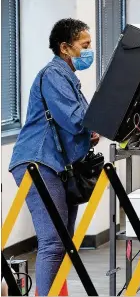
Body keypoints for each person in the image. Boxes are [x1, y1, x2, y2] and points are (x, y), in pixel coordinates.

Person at [8, 18, 99, 295]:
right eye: (84, 45)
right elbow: (75, 120)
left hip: (58, 165)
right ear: (65, 47)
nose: (88, 50)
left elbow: (81, 124)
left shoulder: (69, 77)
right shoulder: (53, 75)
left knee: (64, 241)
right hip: (38, 162)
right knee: (53, 241)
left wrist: (93, 129)